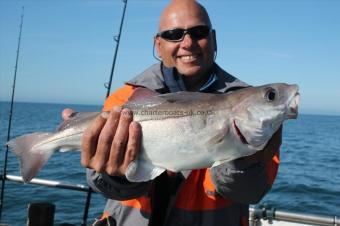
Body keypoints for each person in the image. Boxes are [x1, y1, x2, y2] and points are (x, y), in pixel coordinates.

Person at [63, 1, 282, 225]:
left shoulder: (251, 108)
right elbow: (102, 184)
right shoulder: (125, 99)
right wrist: (117, 175)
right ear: (158, 45)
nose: (187, 43)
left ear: (214, 38)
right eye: (174, 34)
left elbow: (251, 193)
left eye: (199, 32)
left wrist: (246, 162)